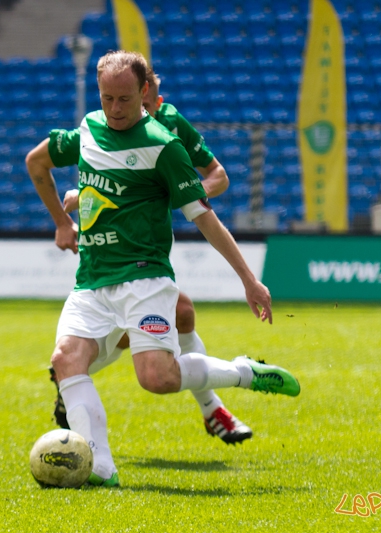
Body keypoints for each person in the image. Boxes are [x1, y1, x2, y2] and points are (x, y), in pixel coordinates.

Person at [25, 50, 300, 487]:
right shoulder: (87, 130)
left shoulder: (163, 145)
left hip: (144, 278)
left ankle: (242, 372)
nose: (114, 110)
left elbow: (206, 217)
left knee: (157, 378)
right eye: (106, 98)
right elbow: (35, 162)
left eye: (124, 99)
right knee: (65, 362)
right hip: (92, 282)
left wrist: (250, 280)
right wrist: (63, 220)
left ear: (144, 92)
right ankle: (100, 468)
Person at [52, 68, 252, 446]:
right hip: (109, 258)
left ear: (153, 97)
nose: (124, 110)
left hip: (149, 254)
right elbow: (61, 167)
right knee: (122, 339)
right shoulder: (104, 128)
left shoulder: (170, 128)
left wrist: (177, 192)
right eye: (113, 100)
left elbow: (218, 175)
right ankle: (71, 377)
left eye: (142, 102)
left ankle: (213, 409)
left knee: (180, 317)